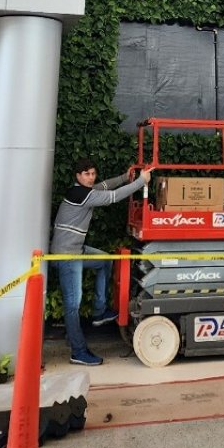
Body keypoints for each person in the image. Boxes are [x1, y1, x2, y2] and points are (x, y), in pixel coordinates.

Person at [52, 157, 152, 366]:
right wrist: (140, 182)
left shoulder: (85, 190)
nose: (91, 178)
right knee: (73, 305)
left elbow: (105, 186)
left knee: (105, 261)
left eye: (93, 173)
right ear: (77, 176)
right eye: (86, 174)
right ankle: (78, 351)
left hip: (76, 251)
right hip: (66, 256)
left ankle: (99, 312)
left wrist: (125, 177)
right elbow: (112, 196)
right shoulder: (80, 194)